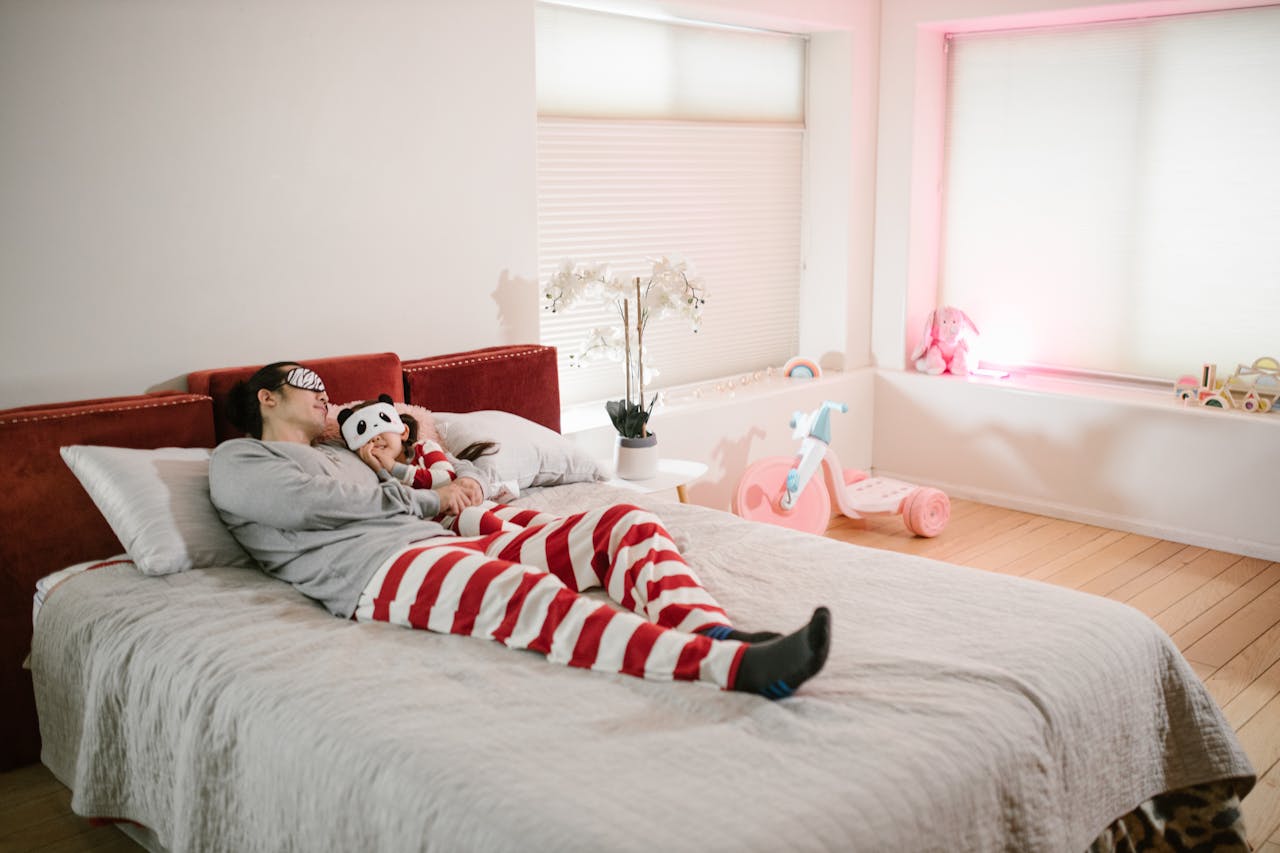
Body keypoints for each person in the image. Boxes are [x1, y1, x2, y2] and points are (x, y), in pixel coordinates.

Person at [208, 361, 830, 699]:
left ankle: (713, 630)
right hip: (374, 570)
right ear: (267, 397)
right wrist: (411, 496)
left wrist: (413, 477)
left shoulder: (350, 456)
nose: (325, 398)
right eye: (308, 384)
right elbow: (314, 507)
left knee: (624, 523)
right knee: (532, 599)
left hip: (440, 538)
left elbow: (400, 483)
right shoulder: (239, 462)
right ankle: (727, 668)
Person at [336, 394, 552, 537]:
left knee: (525, 517)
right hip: (449, 520)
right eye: (366, 441)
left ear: (403, 432)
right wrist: (382, 472)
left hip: (473, 502)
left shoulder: (425, 448)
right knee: (475, 520)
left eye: (381, 432)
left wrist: (394, 468)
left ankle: (561, 529)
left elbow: (446, 478)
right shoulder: (372, 477)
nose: (375, 441)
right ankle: (528, 541)